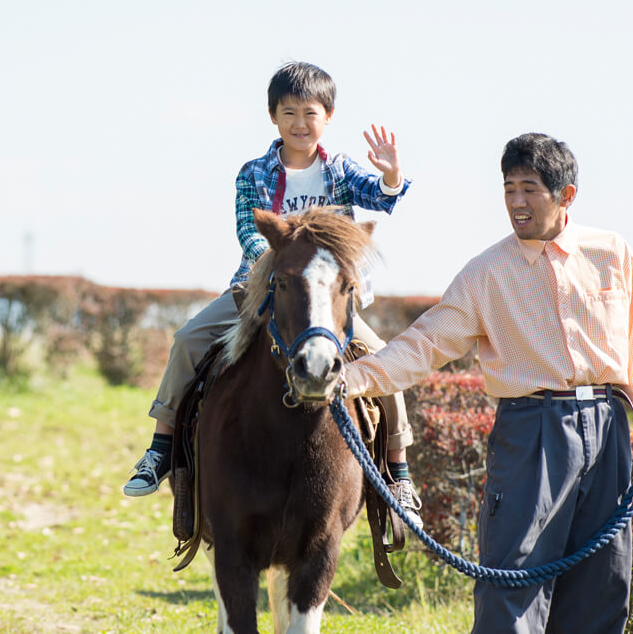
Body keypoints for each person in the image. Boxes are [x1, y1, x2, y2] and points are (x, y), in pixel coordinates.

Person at [343, 132, 633, 633]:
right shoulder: (486, 273)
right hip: (531, 433)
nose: (516, 203)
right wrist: (347, 379)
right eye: (508, 189)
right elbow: (424, 345)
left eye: (529, 189)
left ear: (566, 195)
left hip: (609, 428)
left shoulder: (613, 253)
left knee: (603, 587)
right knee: (511, 584)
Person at [123, 61, 423, 528]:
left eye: (310, 113)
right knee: (186, 340)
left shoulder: (341, 169)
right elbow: (249, 232)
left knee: (382, 359)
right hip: (260, 285)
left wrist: (390, 175)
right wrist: (285, 266)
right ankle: (160, 450)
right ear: (273, 117)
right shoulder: (253, 173)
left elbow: (383, 199)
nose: (300, 123)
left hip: (328, 298)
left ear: (328, 118)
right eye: (289, 113)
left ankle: (399, 472)